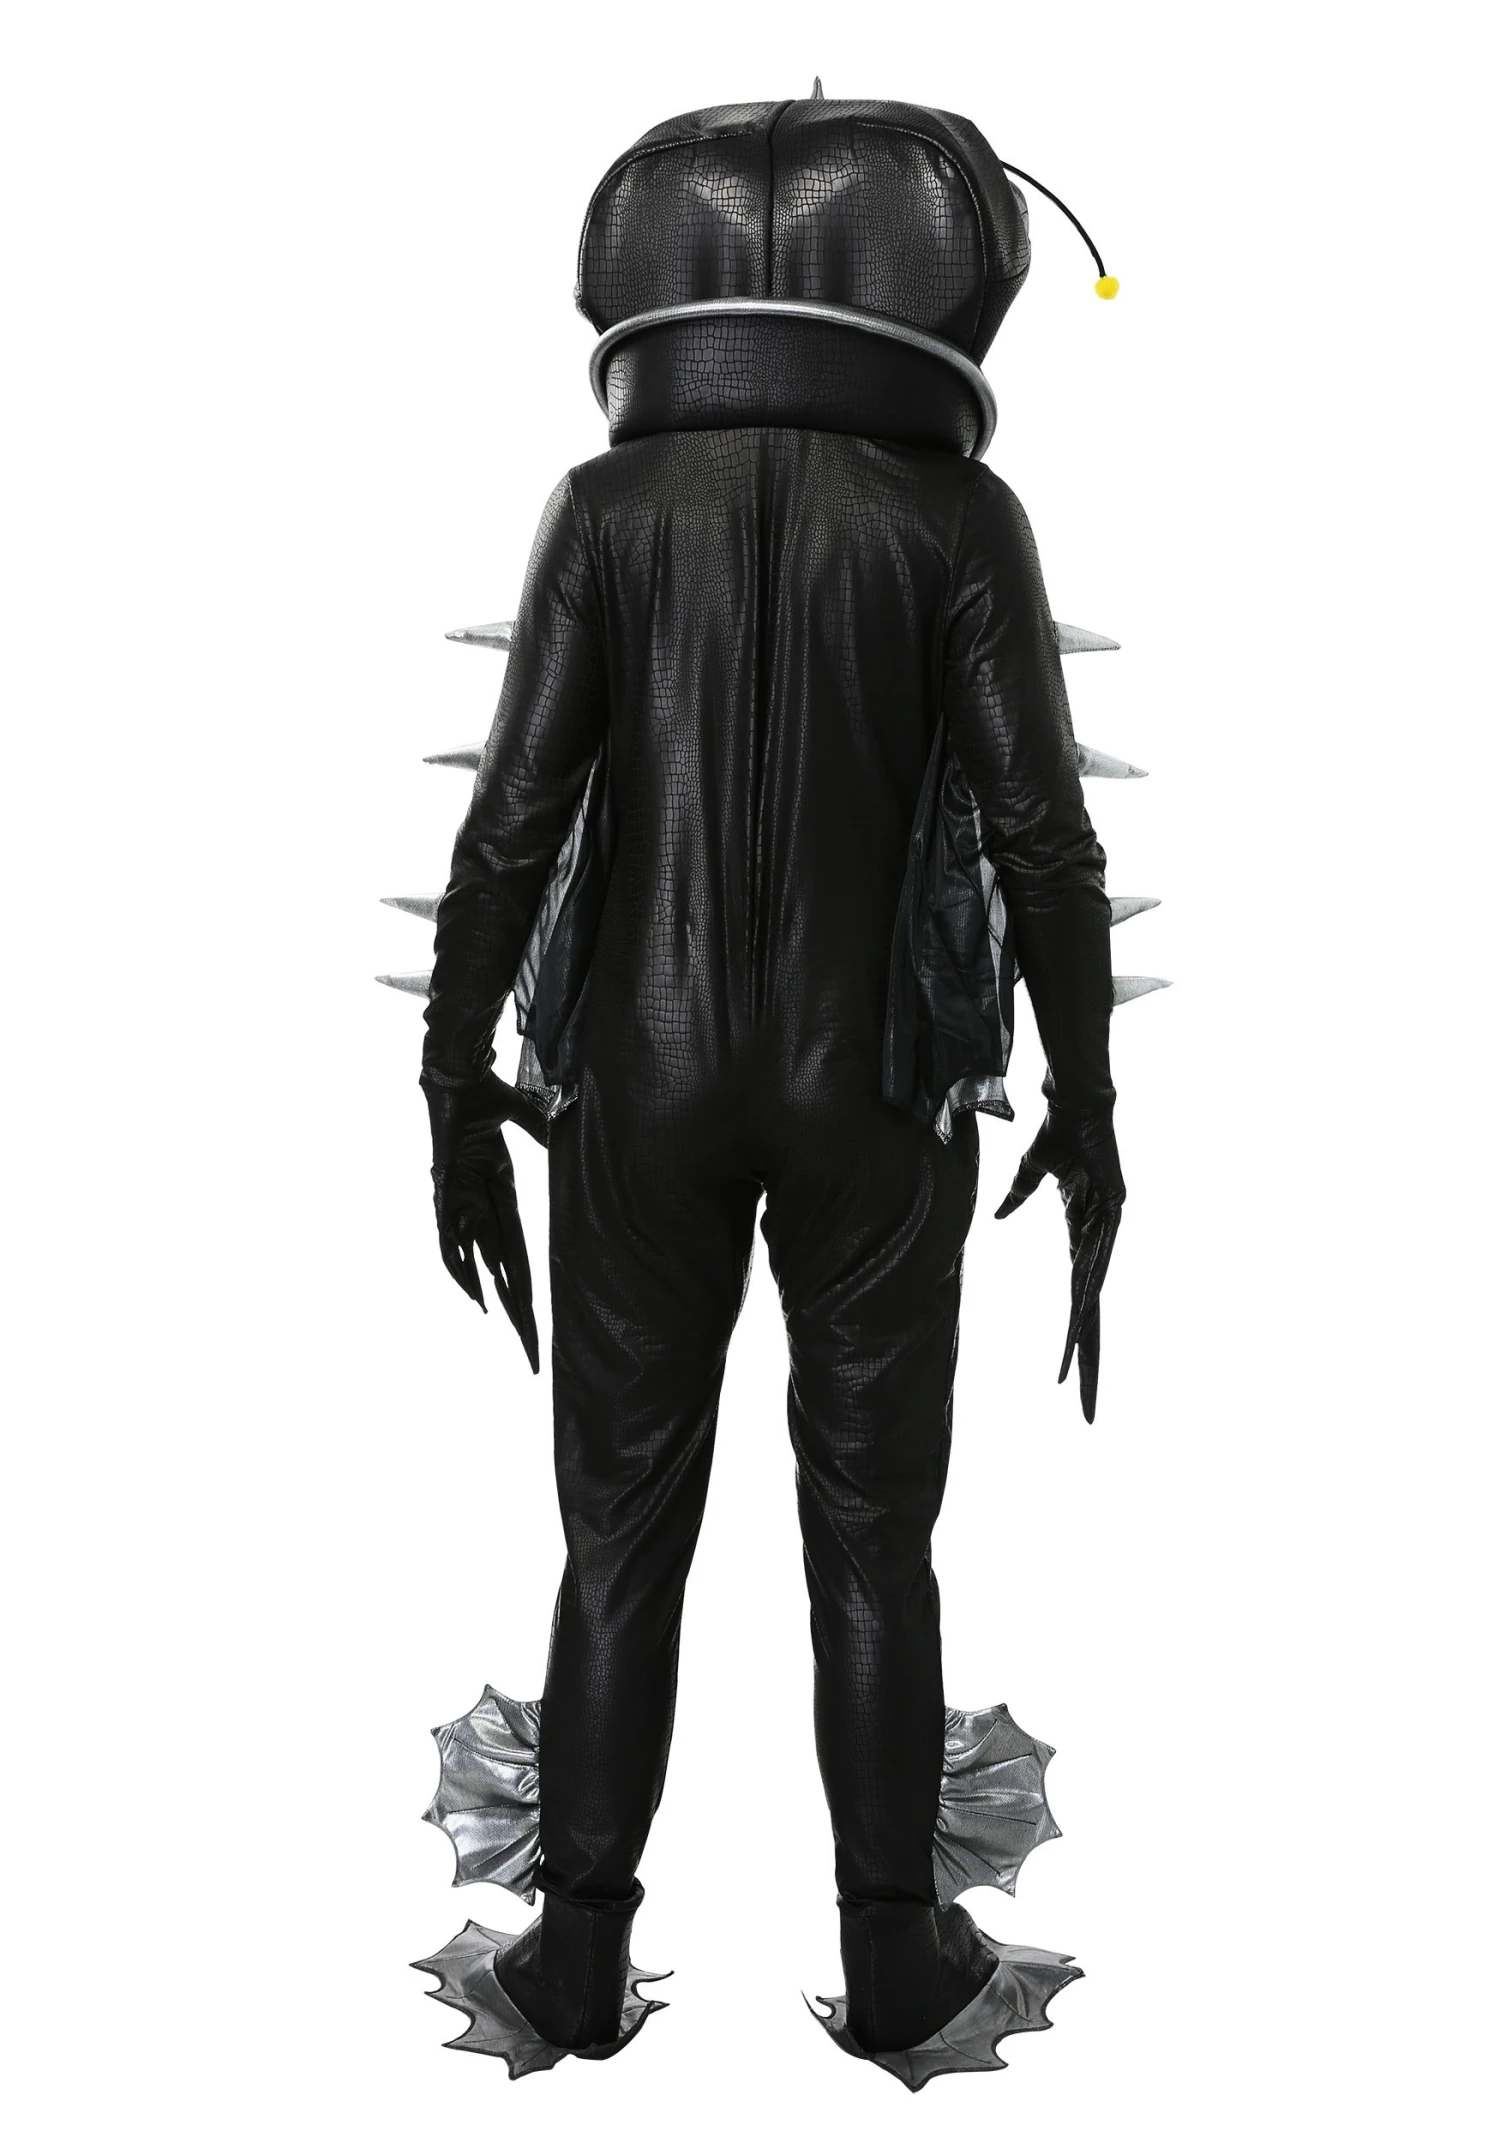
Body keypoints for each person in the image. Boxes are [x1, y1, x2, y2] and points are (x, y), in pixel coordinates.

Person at [415, 91, 1127, 2077]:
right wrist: (1088, 1101)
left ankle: (572, 1956)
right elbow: (1044, 839)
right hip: (879, 1085)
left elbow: (512, 823)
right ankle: (900, 1960)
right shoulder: (961, 519)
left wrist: (452, 1077)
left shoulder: (605, 509)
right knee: (875, 1532)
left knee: (619, 1526)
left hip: (628, 1081)